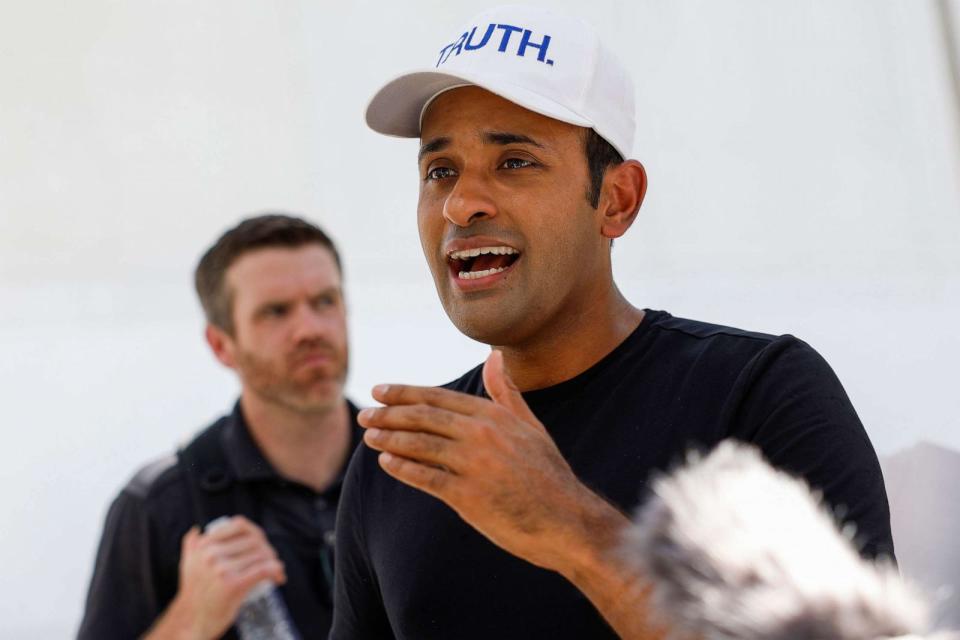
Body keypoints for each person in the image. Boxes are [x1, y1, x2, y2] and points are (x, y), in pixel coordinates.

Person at [331, 6, 895, 640]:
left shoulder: (758, 397)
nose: (463, 204)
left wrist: (573, 527)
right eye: (440, 172)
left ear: (617, 200)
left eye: (514, 161)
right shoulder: (397, 466)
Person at [78, 214, 361, 640]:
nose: (310, 329)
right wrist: (191, 620)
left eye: (325, 301)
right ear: (220, 345)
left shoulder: (416, 468)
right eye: (276, 312)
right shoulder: (159, 502)